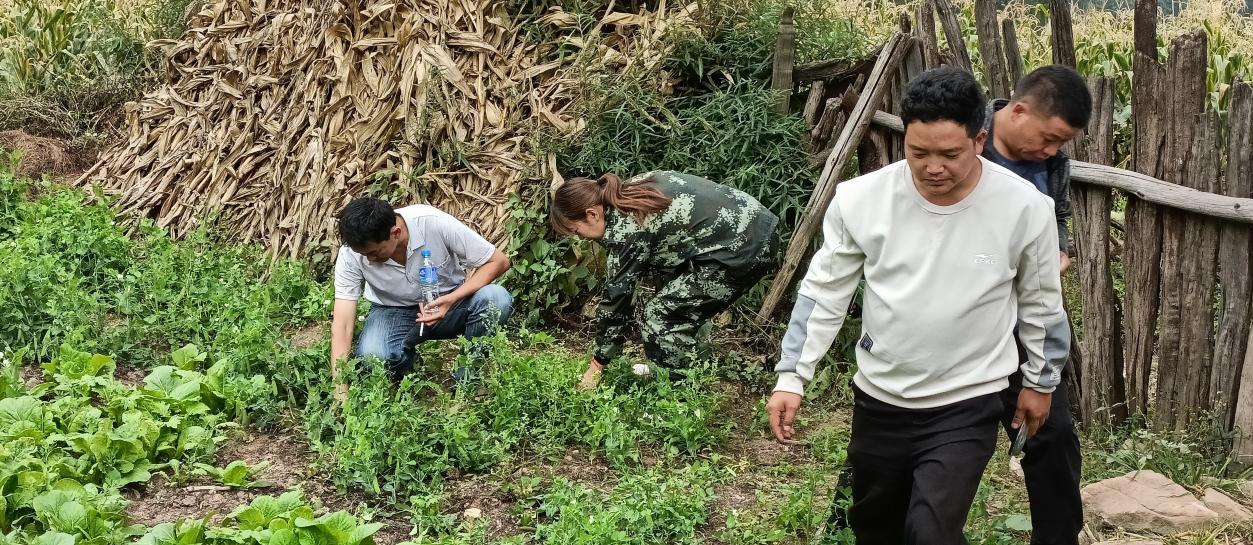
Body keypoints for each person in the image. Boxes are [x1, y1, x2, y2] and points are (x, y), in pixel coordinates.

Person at [764, 67, 1070, 544]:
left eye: (950, 154)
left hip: (966, 400)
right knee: (875, 530)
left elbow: (1042, 304)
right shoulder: (861, 200)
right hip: (880, 398)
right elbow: (824, 292)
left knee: (930, 533)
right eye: (918, 152)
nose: (933, 168)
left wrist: (1040, 381)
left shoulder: (1025, 208)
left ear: (979, 140)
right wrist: (792, 377)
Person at [983, 64, 1092, 545]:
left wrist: (1058, 252)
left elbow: (1058, 218)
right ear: (1019, 111)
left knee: (1053, 435)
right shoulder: (965, 139)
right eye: (1049, 139)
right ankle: (849, 525)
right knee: (906, 435)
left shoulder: (1053, 165)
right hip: (960, 322)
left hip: (1025, 324)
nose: (1051, 151)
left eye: (1060, 144)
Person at [549, 171, 778, 388]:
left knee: (660, 316)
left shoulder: (625, 228)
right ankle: (692, 362)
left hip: (745, 248)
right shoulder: (631, 190)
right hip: (757, 225)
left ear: (592, 214)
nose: (580, 238)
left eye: (576, 231)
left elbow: (617, 300)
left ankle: (676, 390)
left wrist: (597, 364)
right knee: (675, 298)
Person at [330, 197, 513, 400]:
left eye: (374, 252)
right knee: (374, 357)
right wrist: (340, 390)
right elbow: (343, 323)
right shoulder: (351, 253)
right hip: (392, 311)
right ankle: (408, 369)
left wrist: (452, 299)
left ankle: (468, 378)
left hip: (450, 305)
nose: (370, 259)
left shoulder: (432, 222)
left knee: (497, 299)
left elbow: (498, 261)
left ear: (395, 233)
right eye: (364, 254)